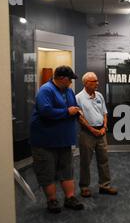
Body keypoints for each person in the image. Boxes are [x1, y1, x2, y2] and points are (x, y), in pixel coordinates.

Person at [30, 66, 84, 213]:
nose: (71, 82)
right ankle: (52, 200)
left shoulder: (68, 91)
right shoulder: (46, 90)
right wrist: (67, 111)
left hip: (64, 140)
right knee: (47, 171)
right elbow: (45, 111)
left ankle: (70, 198)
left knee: (67, 170)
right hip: (45, 141)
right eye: (70, 79)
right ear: (62, 78)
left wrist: (76, 111)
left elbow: (73, 107)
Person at [76, 72, 118, 197]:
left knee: (104, 160)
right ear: (86, 83)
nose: (97, 83)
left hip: (101, 132)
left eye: (97, 81)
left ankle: (104, 185)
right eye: (94, 81)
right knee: (85, 161)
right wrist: (91, 129)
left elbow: (104, 113)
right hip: (87, 133)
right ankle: (84, 187)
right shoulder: (78, 98)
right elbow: (80, 118)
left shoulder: (99, 95)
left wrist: (104, 127)